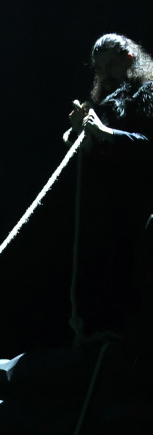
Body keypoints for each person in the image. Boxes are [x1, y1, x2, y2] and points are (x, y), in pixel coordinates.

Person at [63, 33, 153, 343]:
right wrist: (81, 134)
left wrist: (105, 132)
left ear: (129, 59)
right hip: (115, 207)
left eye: (110, 66)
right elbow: (99, 157)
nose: (105, 75)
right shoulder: (106, 101)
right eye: (99, 69)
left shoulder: (149, 92)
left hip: (144, 204)